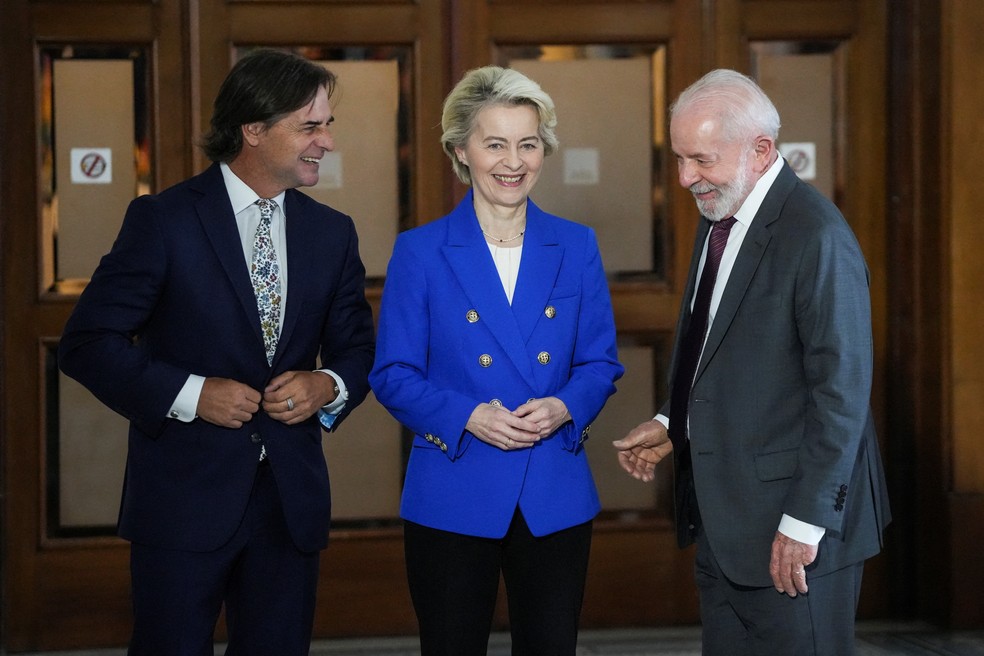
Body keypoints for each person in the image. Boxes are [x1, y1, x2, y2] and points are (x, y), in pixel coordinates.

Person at [58, 49, 375, 655]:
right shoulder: (162, 220)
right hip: (182, 501)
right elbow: (87, 344)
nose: (327, 142)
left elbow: (358, 348)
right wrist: (192, 394)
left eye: (327, 125)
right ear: (253, 129)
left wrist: (326, 385)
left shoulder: (333, 232)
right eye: (309, 126)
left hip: (290, 502)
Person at [613, 69, 891, 655]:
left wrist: (803, 524)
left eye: (701, 160)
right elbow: (718, 347)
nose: (686, 177)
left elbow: (841, 394)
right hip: (727, 526)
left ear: (761, 150)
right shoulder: (722, 212)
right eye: (679, 158)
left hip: (795, 533)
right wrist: (673, 422)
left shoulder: (817, 235)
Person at [369, 66, 623, 656]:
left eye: (528, 144)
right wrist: (467, 416)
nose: (513, 162)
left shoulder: (576, 244)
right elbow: (392, 374)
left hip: (552, 488)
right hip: (454, 485)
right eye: (495, 144)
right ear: (461, 150)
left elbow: (599, 363)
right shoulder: (420, 251)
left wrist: (564, 406)